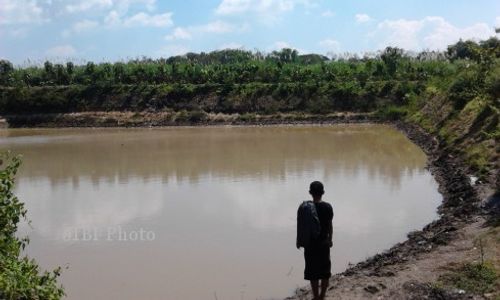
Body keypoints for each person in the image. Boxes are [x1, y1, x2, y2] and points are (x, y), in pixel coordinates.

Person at [297, 181, 333, 300]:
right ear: (323, 192)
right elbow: (329, 225)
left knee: (313, 272)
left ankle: (316, 296)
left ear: (310, 193)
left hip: (310, 245)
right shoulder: (327, 207)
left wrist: (299, 241)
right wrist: (330, 239)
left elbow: (300, 226)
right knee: (325, 271)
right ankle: (322, 296)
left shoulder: (305, 208)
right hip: (323, 244)